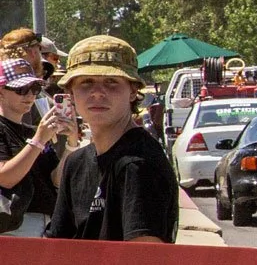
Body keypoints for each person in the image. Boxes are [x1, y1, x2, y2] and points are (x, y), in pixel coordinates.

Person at [46, 36, 179, 243]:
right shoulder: (75, 163)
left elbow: (146, 254)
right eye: (86, 82)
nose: (98, 93)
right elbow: (57, 245)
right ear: (70, 93)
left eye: (111, 82)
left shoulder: (138, 164)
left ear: (133, 91)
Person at [0, 57, 67, 236]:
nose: (30, 95)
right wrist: (38, 140)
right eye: (21, 89)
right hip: (12, 224)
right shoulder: (37, 134)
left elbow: (56, 179)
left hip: (46, 222)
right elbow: (5, 178)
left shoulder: (34, 131)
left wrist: (72, 144)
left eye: (35, 88)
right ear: (1, 92)